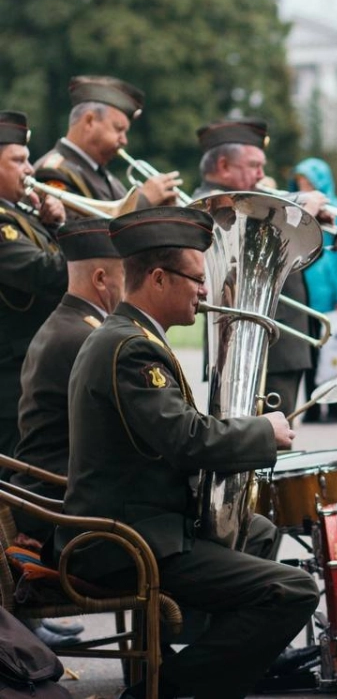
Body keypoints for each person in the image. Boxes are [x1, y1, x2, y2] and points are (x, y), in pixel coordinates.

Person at [57, 207, 319, 699]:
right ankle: (169, 688)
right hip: (125, 541)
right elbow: (185, 440)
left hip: (139, 524)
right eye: (197, 279)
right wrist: (262, 432)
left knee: (255, 531)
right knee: (295, 590)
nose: (205, 290)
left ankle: (225, 668)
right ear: (157, 279)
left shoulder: (127, 337)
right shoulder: (130, 348)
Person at [191, 119, 325, 417]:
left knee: (274, 441)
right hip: (250, 344)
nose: (262, 175)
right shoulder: (209, 205)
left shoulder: (254, 203)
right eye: (254, 165)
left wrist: (304, 223)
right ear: (224, 166)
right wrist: (300, 214)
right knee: (252, 444)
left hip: (280, 341)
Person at [12, 219, 123, 541]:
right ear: (101, 279)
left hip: (51, 492)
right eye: (129, 276)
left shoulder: (67, 323)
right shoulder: (86, 337)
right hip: (63, 504)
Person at [0, 110, 68, 460]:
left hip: (32, 374)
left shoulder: (23, 214)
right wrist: (87, 249)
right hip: (10, 382)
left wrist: (57, 228)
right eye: (19, 160)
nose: (30, 169)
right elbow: (45, 274)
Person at [32, 75, 180, 208]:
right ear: (89, 121)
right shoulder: (54, 171)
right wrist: (143, 201)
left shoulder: (108, 178)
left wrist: (160, 211)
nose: (124, 140)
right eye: (118, 129)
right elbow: (80, 231)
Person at [290, 157, 337, 425]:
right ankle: (313, 407)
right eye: (300, 183)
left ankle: (336, 407)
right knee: (310, 354)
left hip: (328, 291)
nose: (303, 187)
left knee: (335, 354)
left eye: (308, 182)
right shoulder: (297, 210)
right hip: (304, 289)